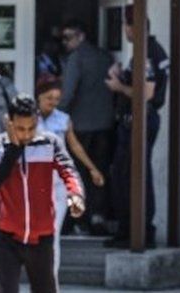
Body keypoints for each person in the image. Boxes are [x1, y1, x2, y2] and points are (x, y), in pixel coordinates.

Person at [0, 94, 85, 293]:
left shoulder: (50, 143)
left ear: (37, 121)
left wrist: (76, 194)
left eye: (31, 128)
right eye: (20, 129)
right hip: (7, 238)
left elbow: (68, 170)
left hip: (42, 238)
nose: (26, 134)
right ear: (9, 122)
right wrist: (13, 150)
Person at [105, 5, 169, 248]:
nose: (125, 30)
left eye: (126, 25)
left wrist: (118, 87)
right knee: (127, 175)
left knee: (134, 176)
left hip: (139, 121)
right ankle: (129, 230)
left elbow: (148, 93)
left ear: (131, 27)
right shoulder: (147, 51)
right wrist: (121, 75)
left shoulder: (147, 52)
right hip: (135, 121)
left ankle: (137, 232)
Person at [34, 75, 106, 279]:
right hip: (33, 183)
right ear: (39, 96)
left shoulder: (63, 120)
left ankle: (50, 278)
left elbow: (74, 146)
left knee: (53, 231)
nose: (53, 103)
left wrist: (92, 169)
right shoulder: (28, 120)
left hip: (57, 183)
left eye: (57, 99)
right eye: (49, 98)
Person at [58, 18, 115, 234]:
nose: (65, 42)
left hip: (81, 126)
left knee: (78, 173)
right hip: (105, 124)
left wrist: (57, 116)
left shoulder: (77, 58)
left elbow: (68, 93)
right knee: (99, 172)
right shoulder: (104, 56)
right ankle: (98, 217)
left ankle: (78, 219)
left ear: (81, 36)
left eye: (68, 37)